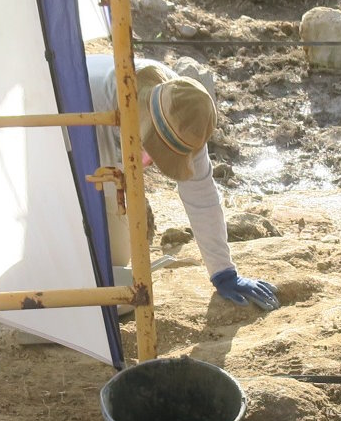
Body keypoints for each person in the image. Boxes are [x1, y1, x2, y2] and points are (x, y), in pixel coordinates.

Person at [86, 53, 278, 311]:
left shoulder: (186, 112)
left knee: (113, 264)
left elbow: (201, 193)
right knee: (84, 263)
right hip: (55, 142)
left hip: (110, 163)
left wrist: (223, 271)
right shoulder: (91, 99)